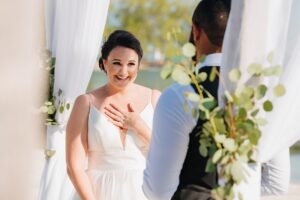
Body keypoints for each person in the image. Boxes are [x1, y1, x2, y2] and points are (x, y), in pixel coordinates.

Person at [143, 0, 289, 199]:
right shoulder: (262, 97)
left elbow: (158, 190)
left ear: (196, 31)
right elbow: (277, 185)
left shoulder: (179, 96)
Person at [66, 30, 161, 200]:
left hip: (146, 191)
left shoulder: (155, 98)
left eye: (131, 64)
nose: (124, 71)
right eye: (117, 63)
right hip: (98, 191)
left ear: (139, 65)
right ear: (104, 63)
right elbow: (74, 166)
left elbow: (167, 152)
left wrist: (139, 125)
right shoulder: (85, 102)